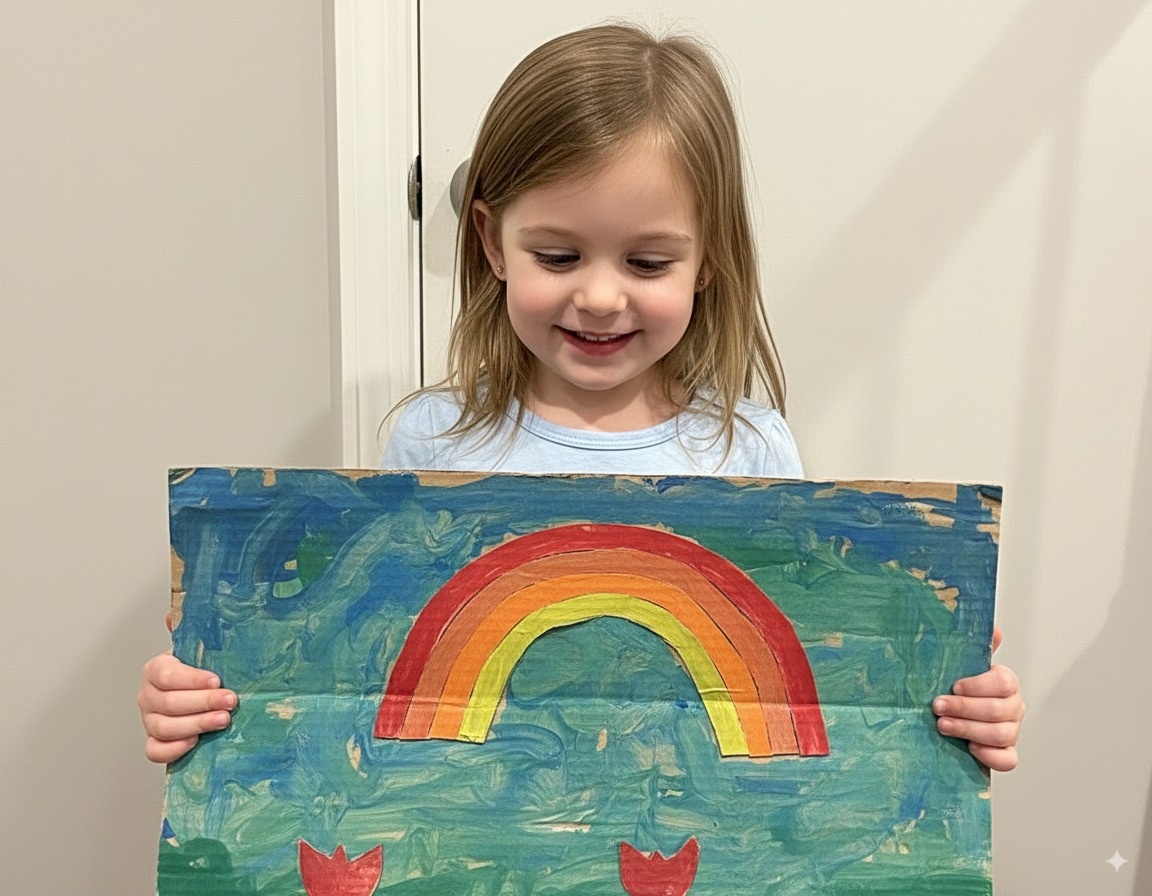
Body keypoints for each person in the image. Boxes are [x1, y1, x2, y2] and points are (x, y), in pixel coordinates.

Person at [139, 24, 1024, 771]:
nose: (600, 296)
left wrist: (957, 709)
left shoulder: (750, 453)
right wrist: (203, 700)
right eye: (558, 256)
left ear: (708, 259)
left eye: (648, 261)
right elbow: (353, 683)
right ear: (492, 242)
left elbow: (816, 694)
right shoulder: (432, 443)